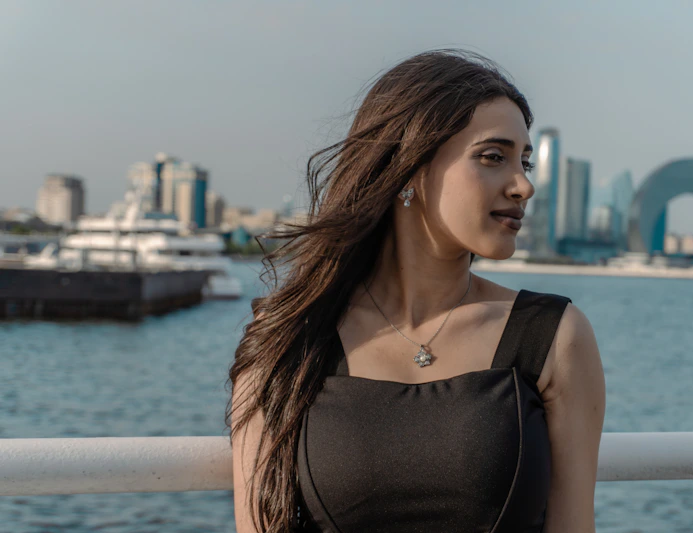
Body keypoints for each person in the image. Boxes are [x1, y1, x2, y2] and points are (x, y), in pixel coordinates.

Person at [227, 49, 606, 533]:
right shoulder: (291, 337)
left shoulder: (554, 336)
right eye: (494, 157)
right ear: (409, 168)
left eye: (525, 163)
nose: (523, 187)